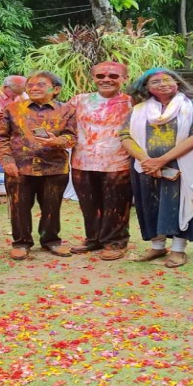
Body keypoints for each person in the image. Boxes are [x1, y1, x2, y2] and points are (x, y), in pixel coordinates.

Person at [121, 69, 193, 268]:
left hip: (182, 164)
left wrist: (162, 160)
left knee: (179, 205)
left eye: (168, 79)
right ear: (146, 87)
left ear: (178, 83)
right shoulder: (137, 110)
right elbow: (125, 136)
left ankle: (178, 250)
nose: (162, 83)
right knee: (150, 204)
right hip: (145, 167)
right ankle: (157, 246)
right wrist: (146, 159)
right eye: (155, 81)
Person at [0, 71, 76, 260]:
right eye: (30, 85)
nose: (34, 88)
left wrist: (58, 141)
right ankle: (21, 243)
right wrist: (6, 161)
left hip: (54, 167)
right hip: (19, 168)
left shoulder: (67, 110)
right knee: (19, 207)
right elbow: (0, 137)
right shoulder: (12, 108)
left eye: (40, 84)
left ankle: (51, 241)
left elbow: (73, 136)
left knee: (52, 207)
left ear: (56, 89)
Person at [68, 61, 134, 260]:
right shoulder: (79, 100)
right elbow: (63, 124)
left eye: (113, 76)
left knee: (116, 204)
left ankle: (116, 241)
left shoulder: (132, 102)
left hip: (118, 161)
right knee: (89, 204)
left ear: (124, 79)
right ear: (93, 78)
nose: (106, 79)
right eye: (100, 76)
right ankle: (93, 238)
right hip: (82, 161)